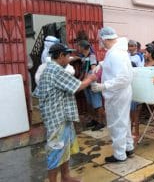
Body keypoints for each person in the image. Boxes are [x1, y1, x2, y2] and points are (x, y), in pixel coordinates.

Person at [33, 43, 97, 182]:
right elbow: (78, 86)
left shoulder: (48, 68)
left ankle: (66, 177)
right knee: (55, 151)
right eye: (67, 56)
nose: (69, 58)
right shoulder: (56, 70)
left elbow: (38, 92)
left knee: (65, 147)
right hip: (57, 118)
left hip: (61, 115)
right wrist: (91, 78)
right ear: (61, 56)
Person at [91, 27, 134, 163]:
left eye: (101, 40)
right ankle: (128, 147)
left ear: (105, 39)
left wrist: (103, 86)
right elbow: (114, 64)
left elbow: (124, 78)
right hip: (120, 93)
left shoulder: (116, 53)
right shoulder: (116, 51)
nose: (100, 43)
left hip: (117, 93)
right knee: (123, 121)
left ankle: (119, 154)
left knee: (117, 124)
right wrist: (102, 65)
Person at [77, 40, 105, 131]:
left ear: (82, 47)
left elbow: (93, 69)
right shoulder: (84, 57)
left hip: (92, 83)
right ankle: (94, 120)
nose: (78, 48)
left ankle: (101, 122)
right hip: (86, 83)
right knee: (90, 103)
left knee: (97, 103)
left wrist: (87, 79)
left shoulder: (91, 56)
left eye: (79, 46)